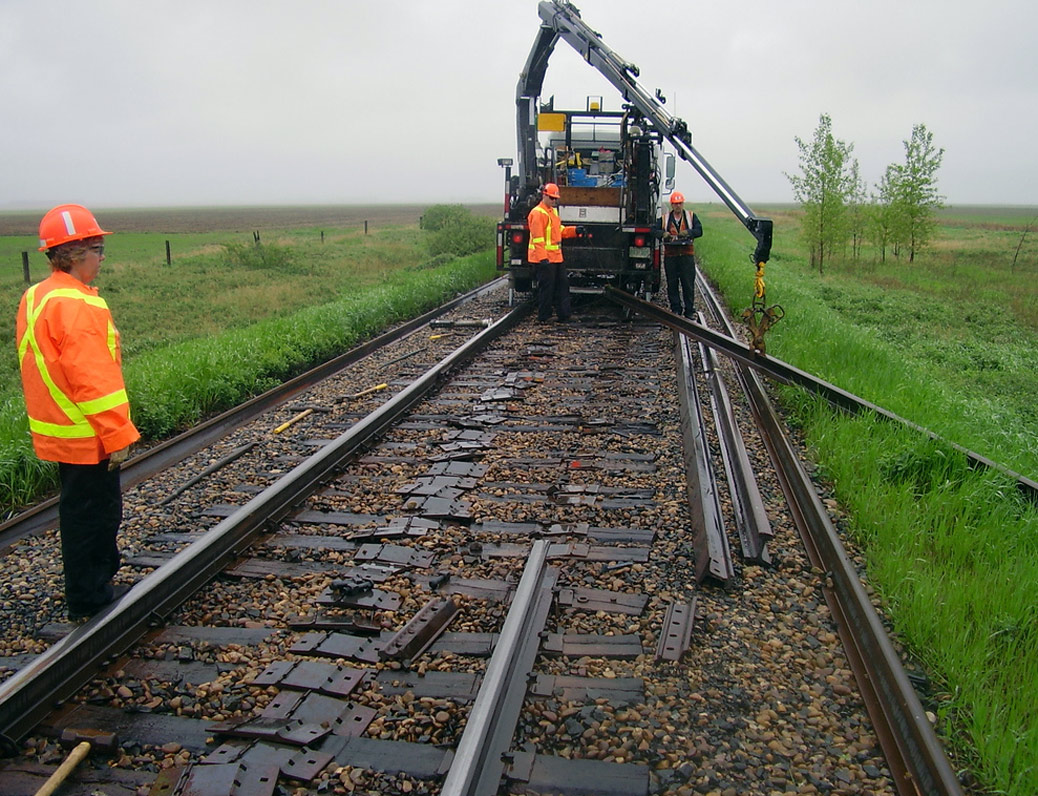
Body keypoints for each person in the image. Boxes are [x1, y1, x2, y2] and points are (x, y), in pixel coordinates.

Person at [16, 204, 140, 621]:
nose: (103, 257)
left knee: (79, 511)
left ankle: (91, 584)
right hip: (86, 433)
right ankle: (91, 596)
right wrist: (118, 435)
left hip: (57, 426)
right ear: (73, 253)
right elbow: (94, 381)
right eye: (98, 248)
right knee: (96, 514)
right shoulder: (79, 305)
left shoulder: (38, 295)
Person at [527, 182, 580, 323]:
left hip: (556, 258)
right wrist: (542, 258)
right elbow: (538, 239)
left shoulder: (552, 212)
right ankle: (544, 317)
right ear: (544, 195)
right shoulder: (537, 213)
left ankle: (564, 315)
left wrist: (575, 230)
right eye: (551, 198)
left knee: (562, 285)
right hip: (544, 259)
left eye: (556, 199)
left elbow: (559, 231)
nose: (554, 201)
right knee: (547, 288)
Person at [657, 192, 703, 317]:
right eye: (675, 204)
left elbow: (699, 231)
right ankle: (676, 309)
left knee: (688, 283)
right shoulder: (665, 218)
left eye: (680, 203)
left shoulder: (691, 216)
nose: (678, 206)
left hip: (686, 255)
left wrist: (688, 232)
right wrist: (663, 234)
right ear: (672, 205)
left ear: (683, 204)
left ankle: (689, 310)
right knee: (672, 284)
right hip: (671, 255)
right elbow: (653, 230)